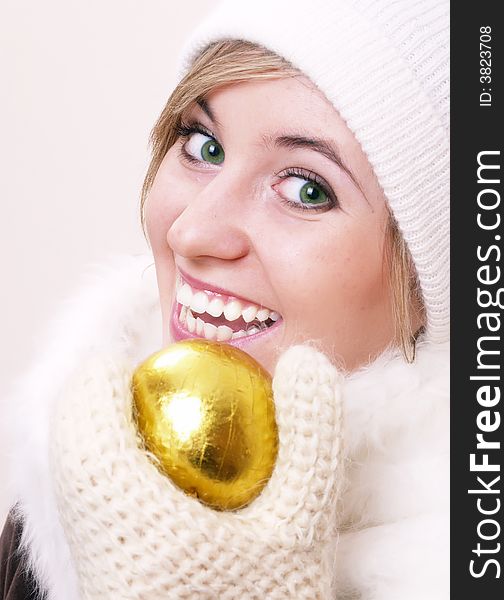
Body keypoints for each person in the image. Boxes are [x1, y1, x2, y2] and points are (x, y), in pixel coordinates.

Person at [1, 0, 450, 598]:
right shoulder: (73, 488)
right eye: (203, 147)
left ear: (429, 283)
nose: (191, 232)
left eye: (307, 189)